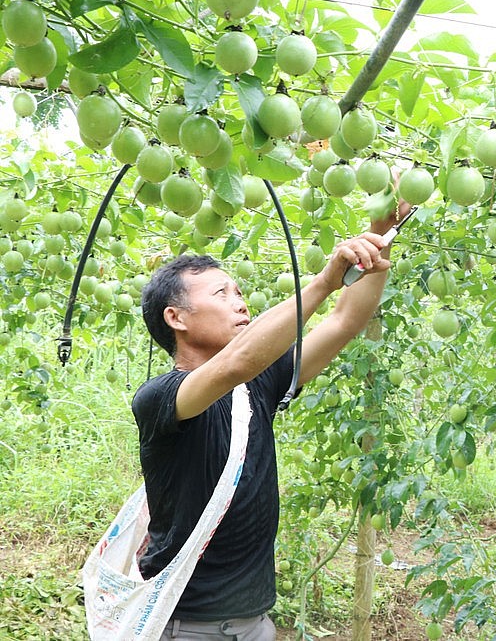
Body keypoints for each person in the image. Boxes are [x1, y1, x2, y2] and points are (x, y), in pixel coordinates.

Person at [133, 202, 410, 640]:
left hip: (255, 621)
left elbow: (345, 320)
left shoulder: (256, 386)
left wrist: (380, 233)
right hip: (184, 625)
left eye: (240, 294)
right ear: (176, 317)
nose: (240, 304)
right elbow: (234, 364)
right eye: (222, 294)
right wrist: (323, 281)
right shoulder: (160, 399)